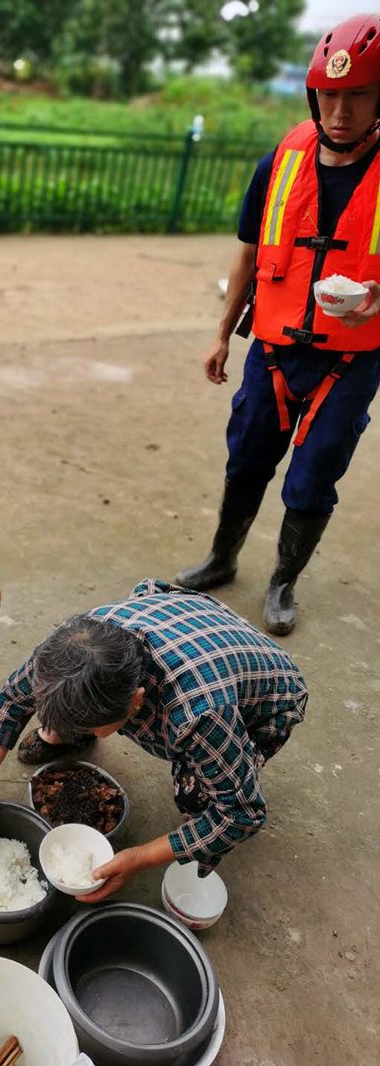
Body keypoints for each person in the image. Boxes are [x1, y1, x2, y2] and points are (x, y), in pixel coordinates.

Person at [175, 14, 380, 635]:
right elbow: (246, 254)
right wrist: (221, 331)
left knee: (315, 471)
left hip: (350, 357)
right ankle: (222, 557)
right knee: (246, 459)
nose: (340, 110)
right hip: (271, 349)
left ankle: (284, 581)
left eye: (359, 94)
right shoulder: (280, 163)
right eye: (329, 94)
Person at [0, 580, 307, 902]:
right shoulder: (74, 646)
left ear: (137, 701)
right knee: (63, 708)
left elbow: (241, 813)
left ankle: (194, 794)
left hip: (261, 692)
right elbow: (11, 702)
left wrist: (142, 857)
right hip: (186, 625)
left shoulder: (198, 716)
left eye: (91, 728)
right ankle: (69, 729)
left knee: (197, 796)